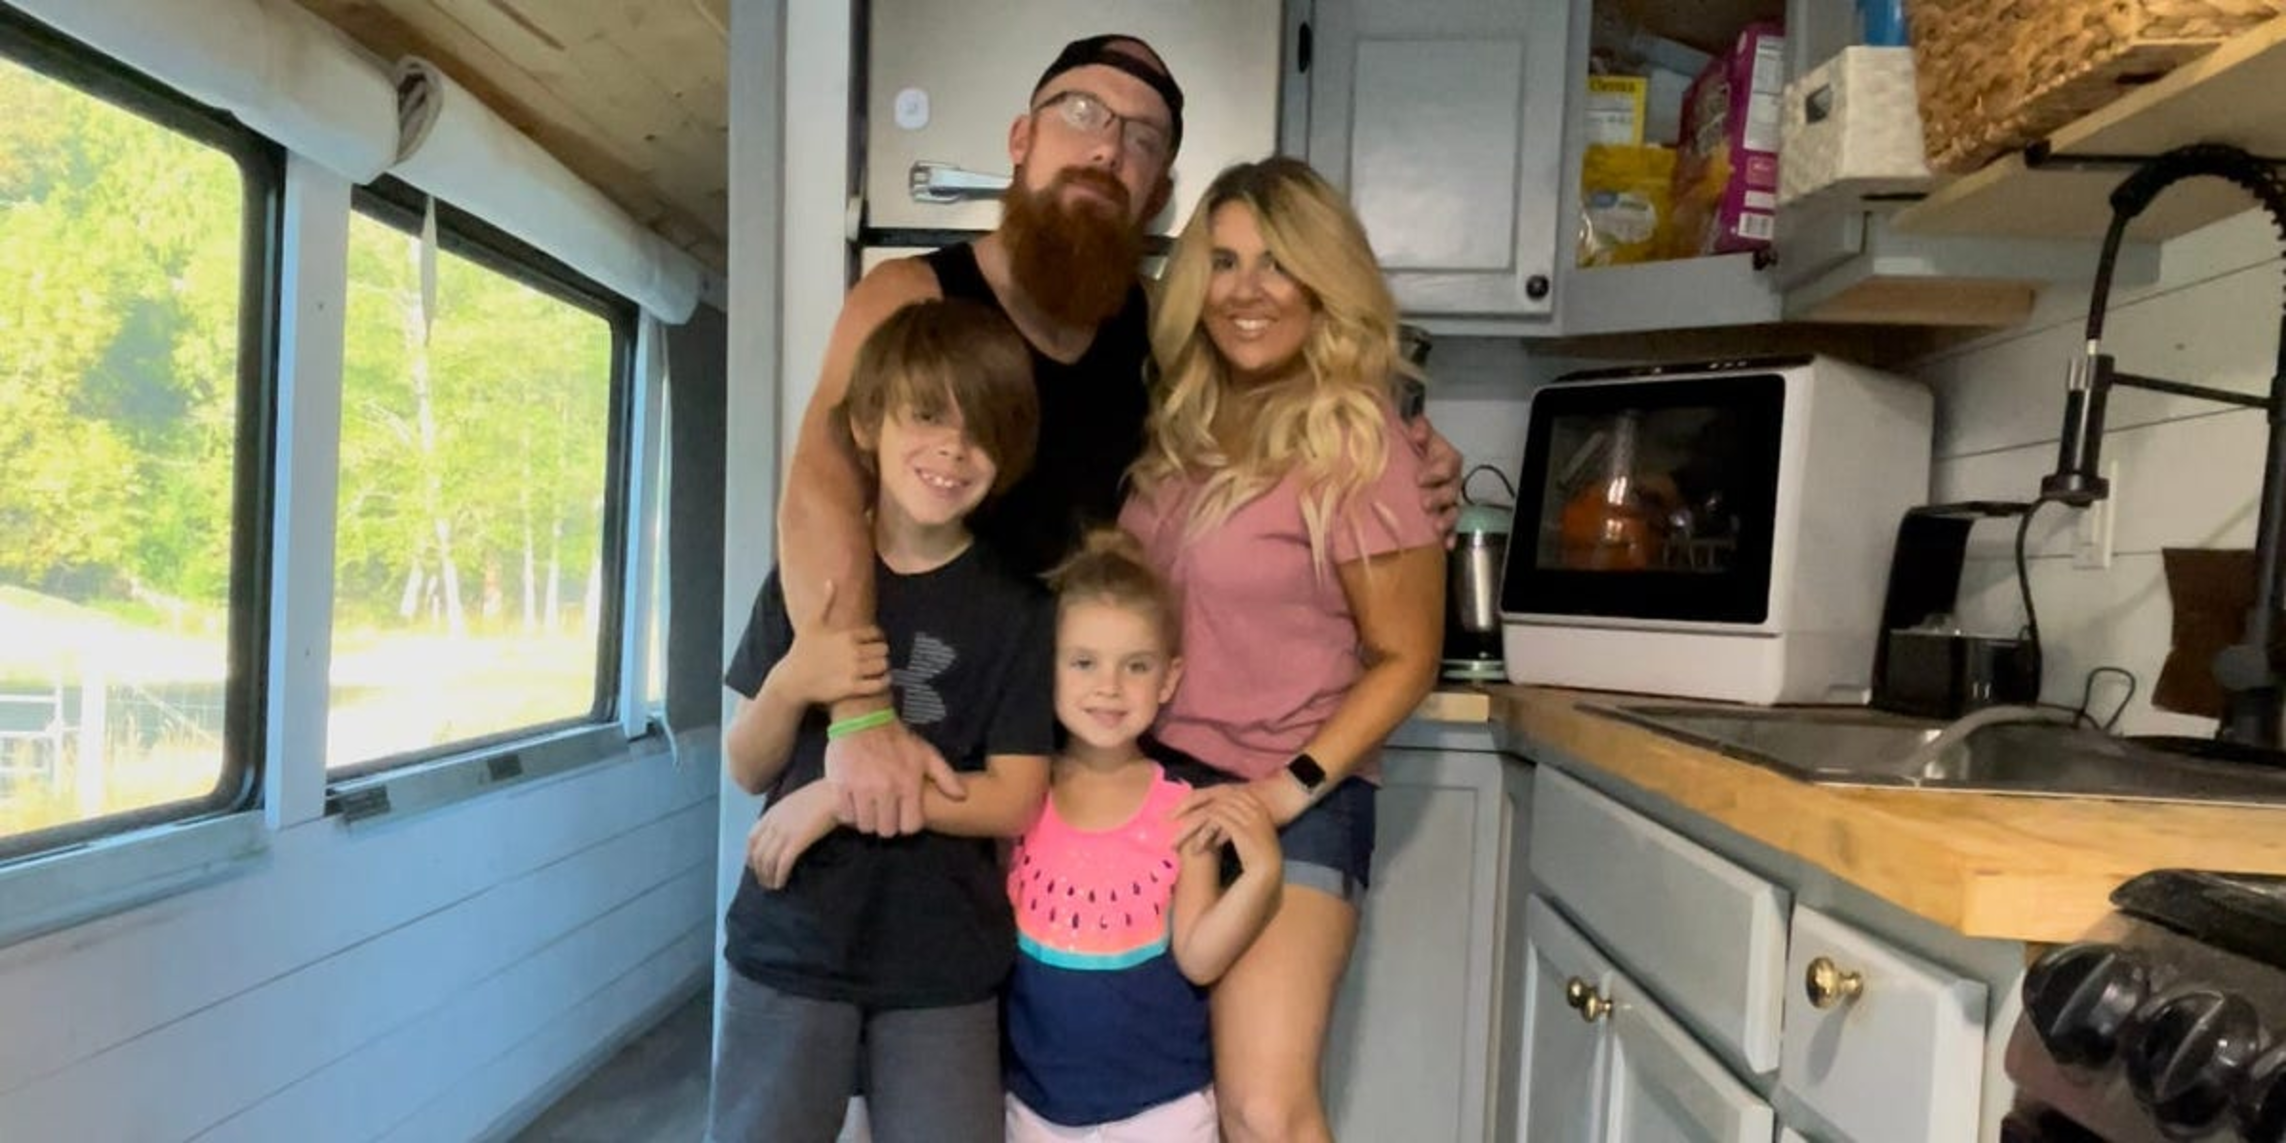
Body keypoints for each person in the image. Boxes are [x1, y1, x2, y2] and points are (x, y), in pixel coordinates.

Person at [776, 32, 1464, 843]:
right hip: (907, 723)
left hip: (1076, 762)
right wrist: (862, 717)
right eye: (1081, 112)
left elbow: (1290, 390)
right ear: (1022, 138)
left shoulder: (1163, 332)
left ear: (1157, 191)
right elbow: (821, 490)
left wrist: (1410, 450)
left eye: (1142, 138)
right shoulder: (912, 295)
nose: (1107, 147)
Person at [1118, 156, 1446, 1143]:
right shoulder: (1181, 426)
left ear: (1322, 283)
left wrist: (1285, 790)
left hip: (1293, 791)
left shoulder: (1358, 440)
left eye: (1277, 263)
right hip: (1156, 791)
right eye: (1223, 262)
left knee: (1264, 1108)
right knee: (1153, 1100)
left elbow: (1408, 655)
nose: (1245, 290)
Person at [708, 299, 1055, 1143]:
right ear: (868, 424)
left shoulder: (1019, 610)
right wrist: (793, 681)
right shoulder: (811, 574)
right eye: (926, 415)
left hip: (943, 958)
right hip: (793, 940)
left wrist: (836, 799)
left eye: (979, 429)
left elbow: (1014, 797)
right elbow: (747, 764)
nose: (952, 449)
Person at [1003, 530, 1284, 1143]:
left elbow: (1198, 956)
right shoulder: (1022, 796)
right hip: (1034, 1111)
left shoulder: (1182, 810)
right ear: (1046, 666)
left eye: (1135, 666)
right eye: (1084, 663)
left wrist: (1261, 875)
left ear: (1168, 678)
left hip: (1164, 1111)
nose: (1109, 686)